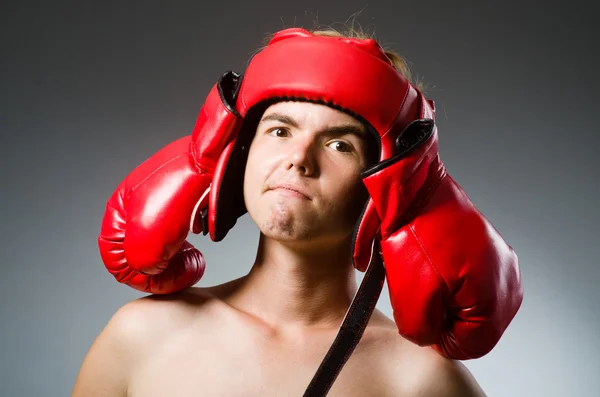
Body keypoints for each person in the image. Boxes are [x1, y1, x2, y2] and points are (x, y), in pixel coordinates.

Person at [72, 26, 523, 396]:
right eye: (280, 131)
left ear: (385, 185)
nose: (299, 158)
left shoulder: (419, 382)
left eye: (339, 144)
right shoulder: (141, 335)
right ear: (241, 154)